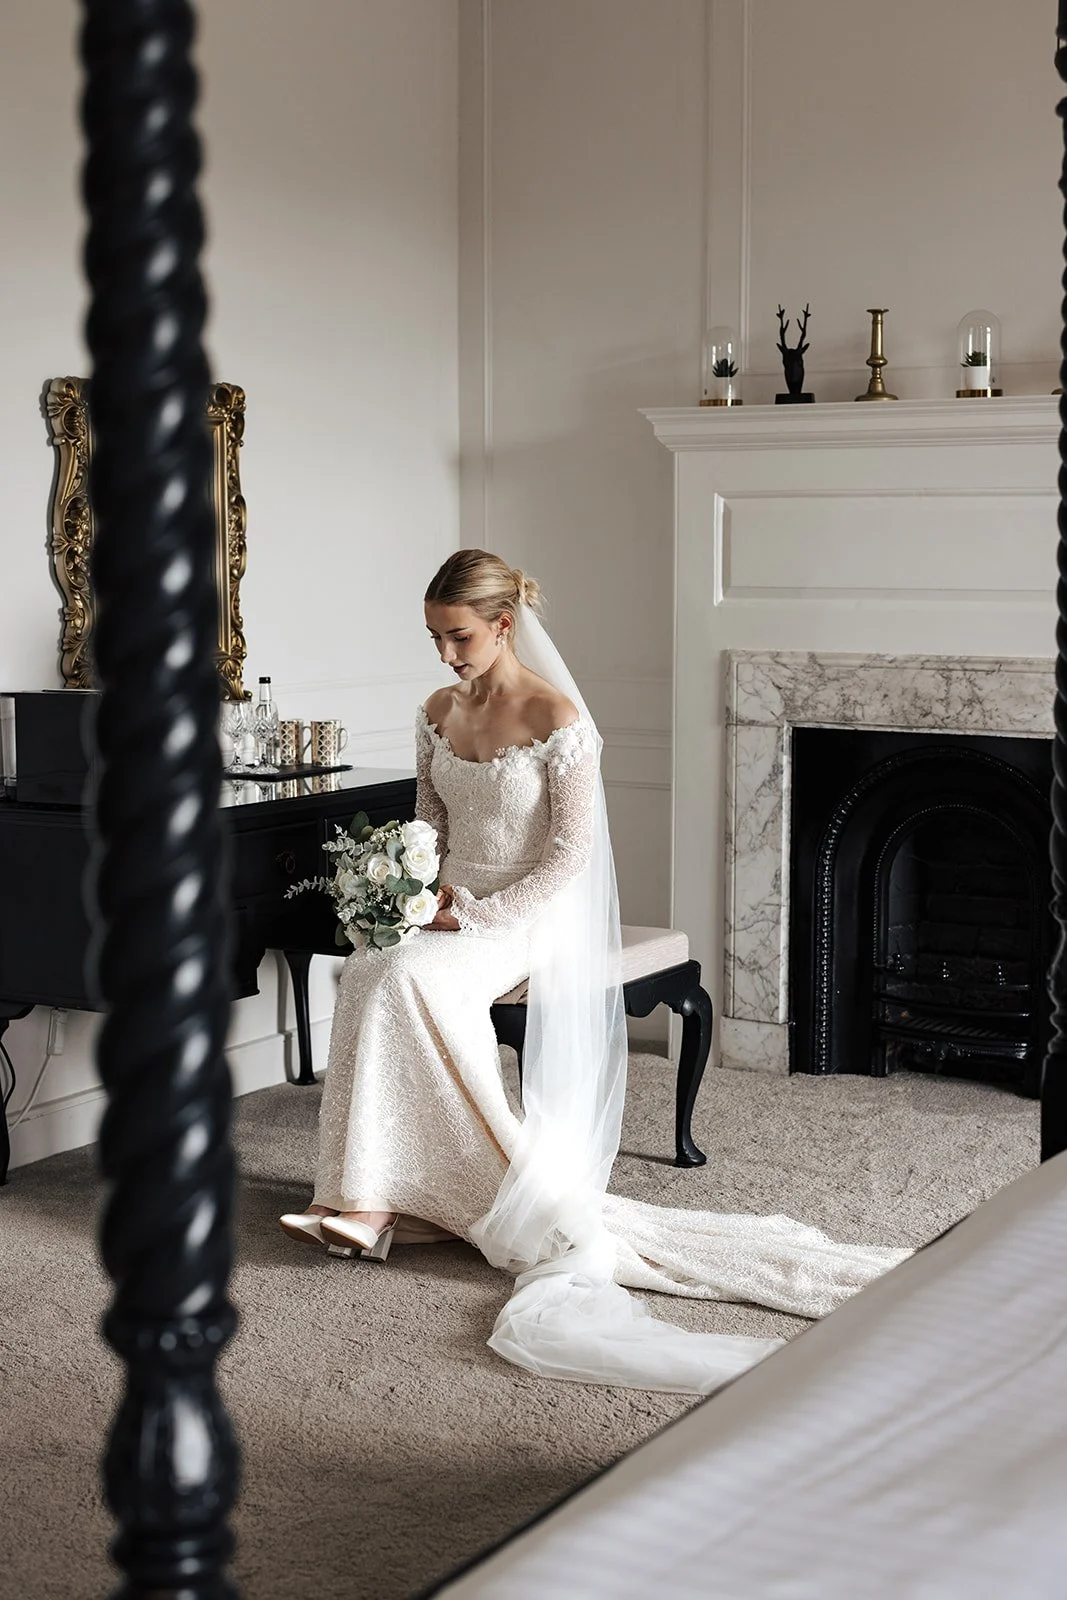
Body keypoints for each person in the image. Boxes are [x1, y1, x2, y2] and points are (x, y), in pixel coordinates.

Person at [280, 550, 907, 1394]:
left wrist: (471, 914)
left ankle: (379, 1202)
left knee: (403, 982)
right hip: (451, 902)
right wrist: (406, 895)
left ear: (502, 624)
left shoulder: (556, 716)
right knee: (367, 969)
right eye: (433, 637)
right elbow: (423, 827)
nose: (445, 656)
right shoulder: (436, 710)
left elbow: (570, 858)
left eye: (458, 637)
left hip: (526, 916)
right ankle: (365, 1192)